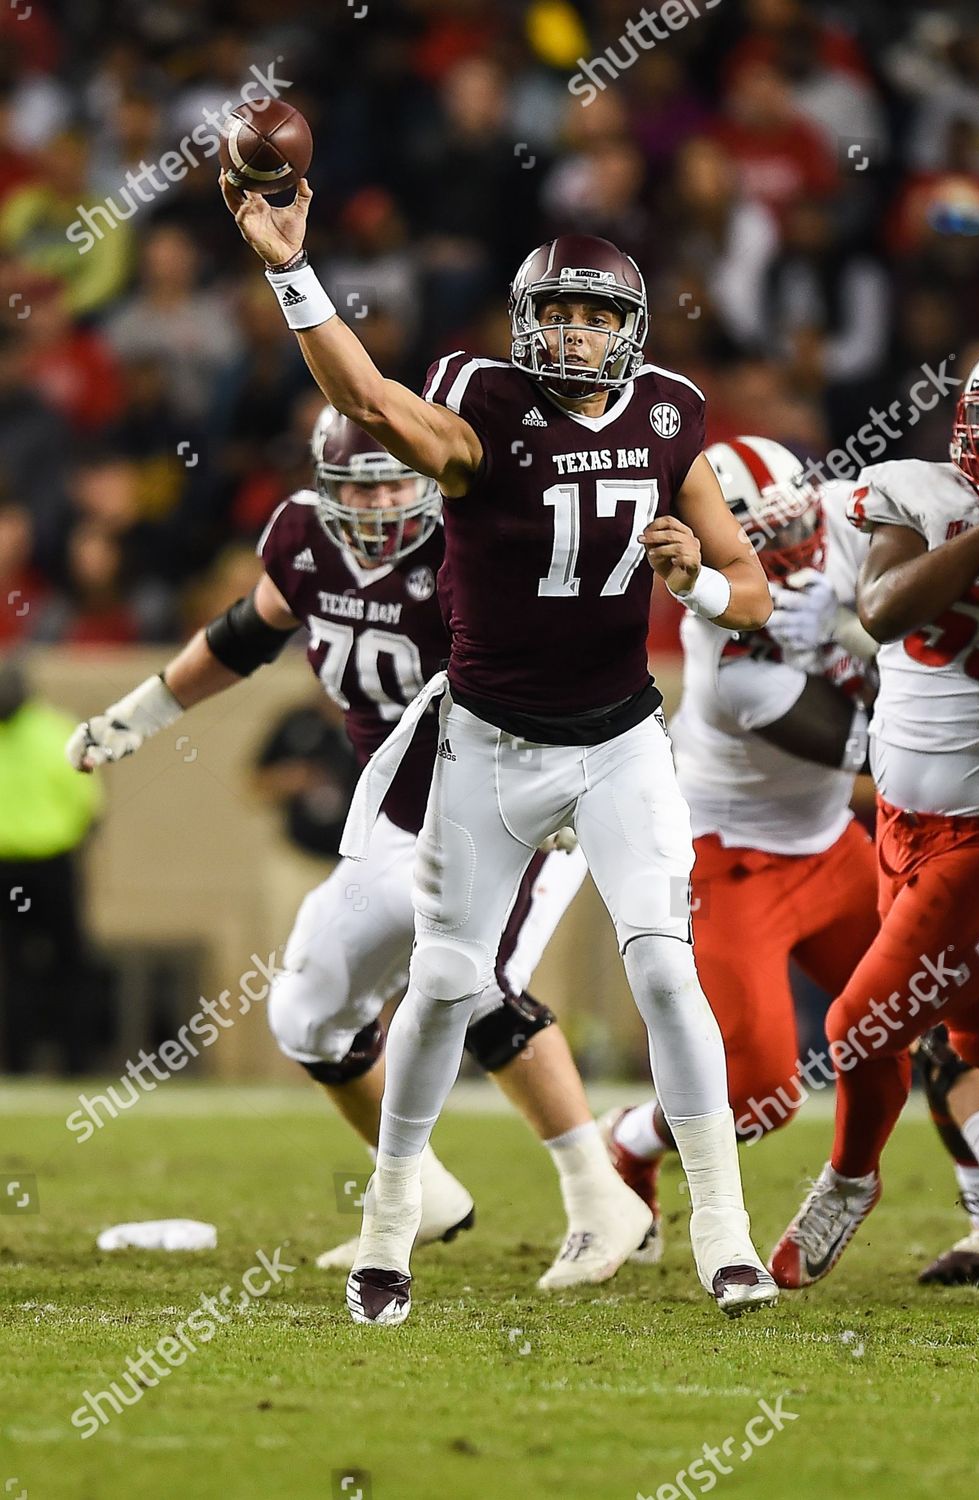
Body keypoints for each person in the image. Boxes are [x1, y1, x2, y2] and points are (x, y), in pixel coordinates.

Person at [221, 167, 780, 1326]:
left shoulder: (671, 413)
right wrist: (290, 271)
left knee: (665, 968)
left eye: (596, 312)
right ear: (527, 323)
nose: (574, 331)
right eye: (557, 311)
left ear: (629, 329)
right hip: (486, 739)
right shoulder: (481, 403)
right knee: (436, 987)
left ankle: (724, 1232)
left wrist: (700, 589)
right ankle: (388, 1230)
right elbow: (370, 402)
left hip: (621, 739)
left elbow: (753, 591)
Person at [66, 409, 651, 1289]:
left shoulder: (472, 546)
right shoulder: (303, 538)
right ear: (324, 490)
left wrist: (563, 769)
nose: (378, 502)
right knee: (305, 1013)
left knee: (474, 983)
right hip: (398, 816)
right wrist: (146, 710)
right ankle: (417, 1194)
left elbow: (562, 662)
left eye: (392, 481)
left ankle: (600, 1196)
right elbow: (247, 633)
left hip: (516, 802)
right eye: (359, 486)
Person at [601, 436, 979, 1283]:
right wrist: (857, 642)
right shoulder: (732, 660)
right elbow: (873, 749)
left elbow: (910, 612)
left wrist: (853, 626)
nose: (800, 550)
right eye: (767, 542)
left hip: (831, 848)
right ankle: (628, 1140)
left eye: (799, 524)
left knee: (933, 1017)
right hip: (737, 859)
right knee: (761, 1094)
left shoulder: (861, 513)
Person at [770, 337, 979, 1288]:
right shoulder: (921, 488)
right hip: (899, 817)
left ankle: (849, 1179)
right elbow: (883, 607)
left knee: (856, 1023)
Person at [0, 656, 101, 1072]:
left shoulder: (58, 731)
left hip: (30, 869)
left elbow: (87, 802)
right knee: (56, 963)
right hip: (41, 866)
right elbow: (90, 805)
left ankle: (34, 1062)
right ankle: (65, 1061)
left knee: (27, 964)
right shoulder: (60, 729)